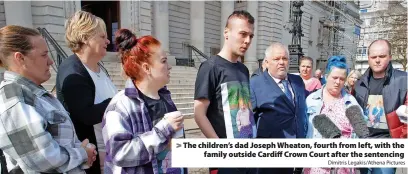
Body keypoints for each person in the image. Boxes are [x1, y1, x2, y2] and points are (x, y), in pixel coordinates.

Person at [0, 25, 96, 173]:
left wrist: (82, 152)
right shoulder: (14, 99)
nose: (51, 61)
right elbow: (42, 158)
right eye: (44, 55)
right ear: (20, 58)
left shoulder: (33, 93)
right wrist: (83, 154)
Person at [102, 29, 186, 174]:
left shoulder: (166, 99)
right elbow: (119, 153)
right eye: (164, 61)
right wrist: (163, 130)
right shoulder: (120, 106)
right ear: (146, 68)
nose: (170, 66)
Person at [194, 10, 257, 174]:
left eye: (251, 36)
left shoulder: (243, 69)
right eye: (243, 34)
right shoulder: (210, 67)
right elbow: (199, 114)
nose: (247, 40)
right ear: (226, 33)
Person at [56, 10, 116, 174]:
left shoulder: (99, 67)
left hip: (110, 153)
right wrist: (117, 101)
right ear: (84, 38)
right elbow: (87, 115)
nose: (108, 41)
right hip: (93, 159)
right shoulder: (73, 72)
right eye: (102, 37)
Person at [250, 43, 308, 174]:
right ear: (267, 62)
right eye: (276, 59)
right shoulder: (255, 84)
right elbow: (249, 120)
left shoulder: (298, 81)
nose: (281, 62)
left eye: (285, 58)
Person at [354, 39, 407, 174]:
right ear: (368, 58)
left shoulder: (403, 80)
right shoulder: (359, 83)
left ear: (390, 56)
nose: (377, 60)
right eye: (373, 57)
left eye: (382, 56)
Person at [304, 56, 362, 174]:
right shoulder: (311, 100)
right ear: (326, 77)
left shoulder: (351, 102)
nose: (337, 82)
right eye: (334, 77)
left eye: (341, 79)